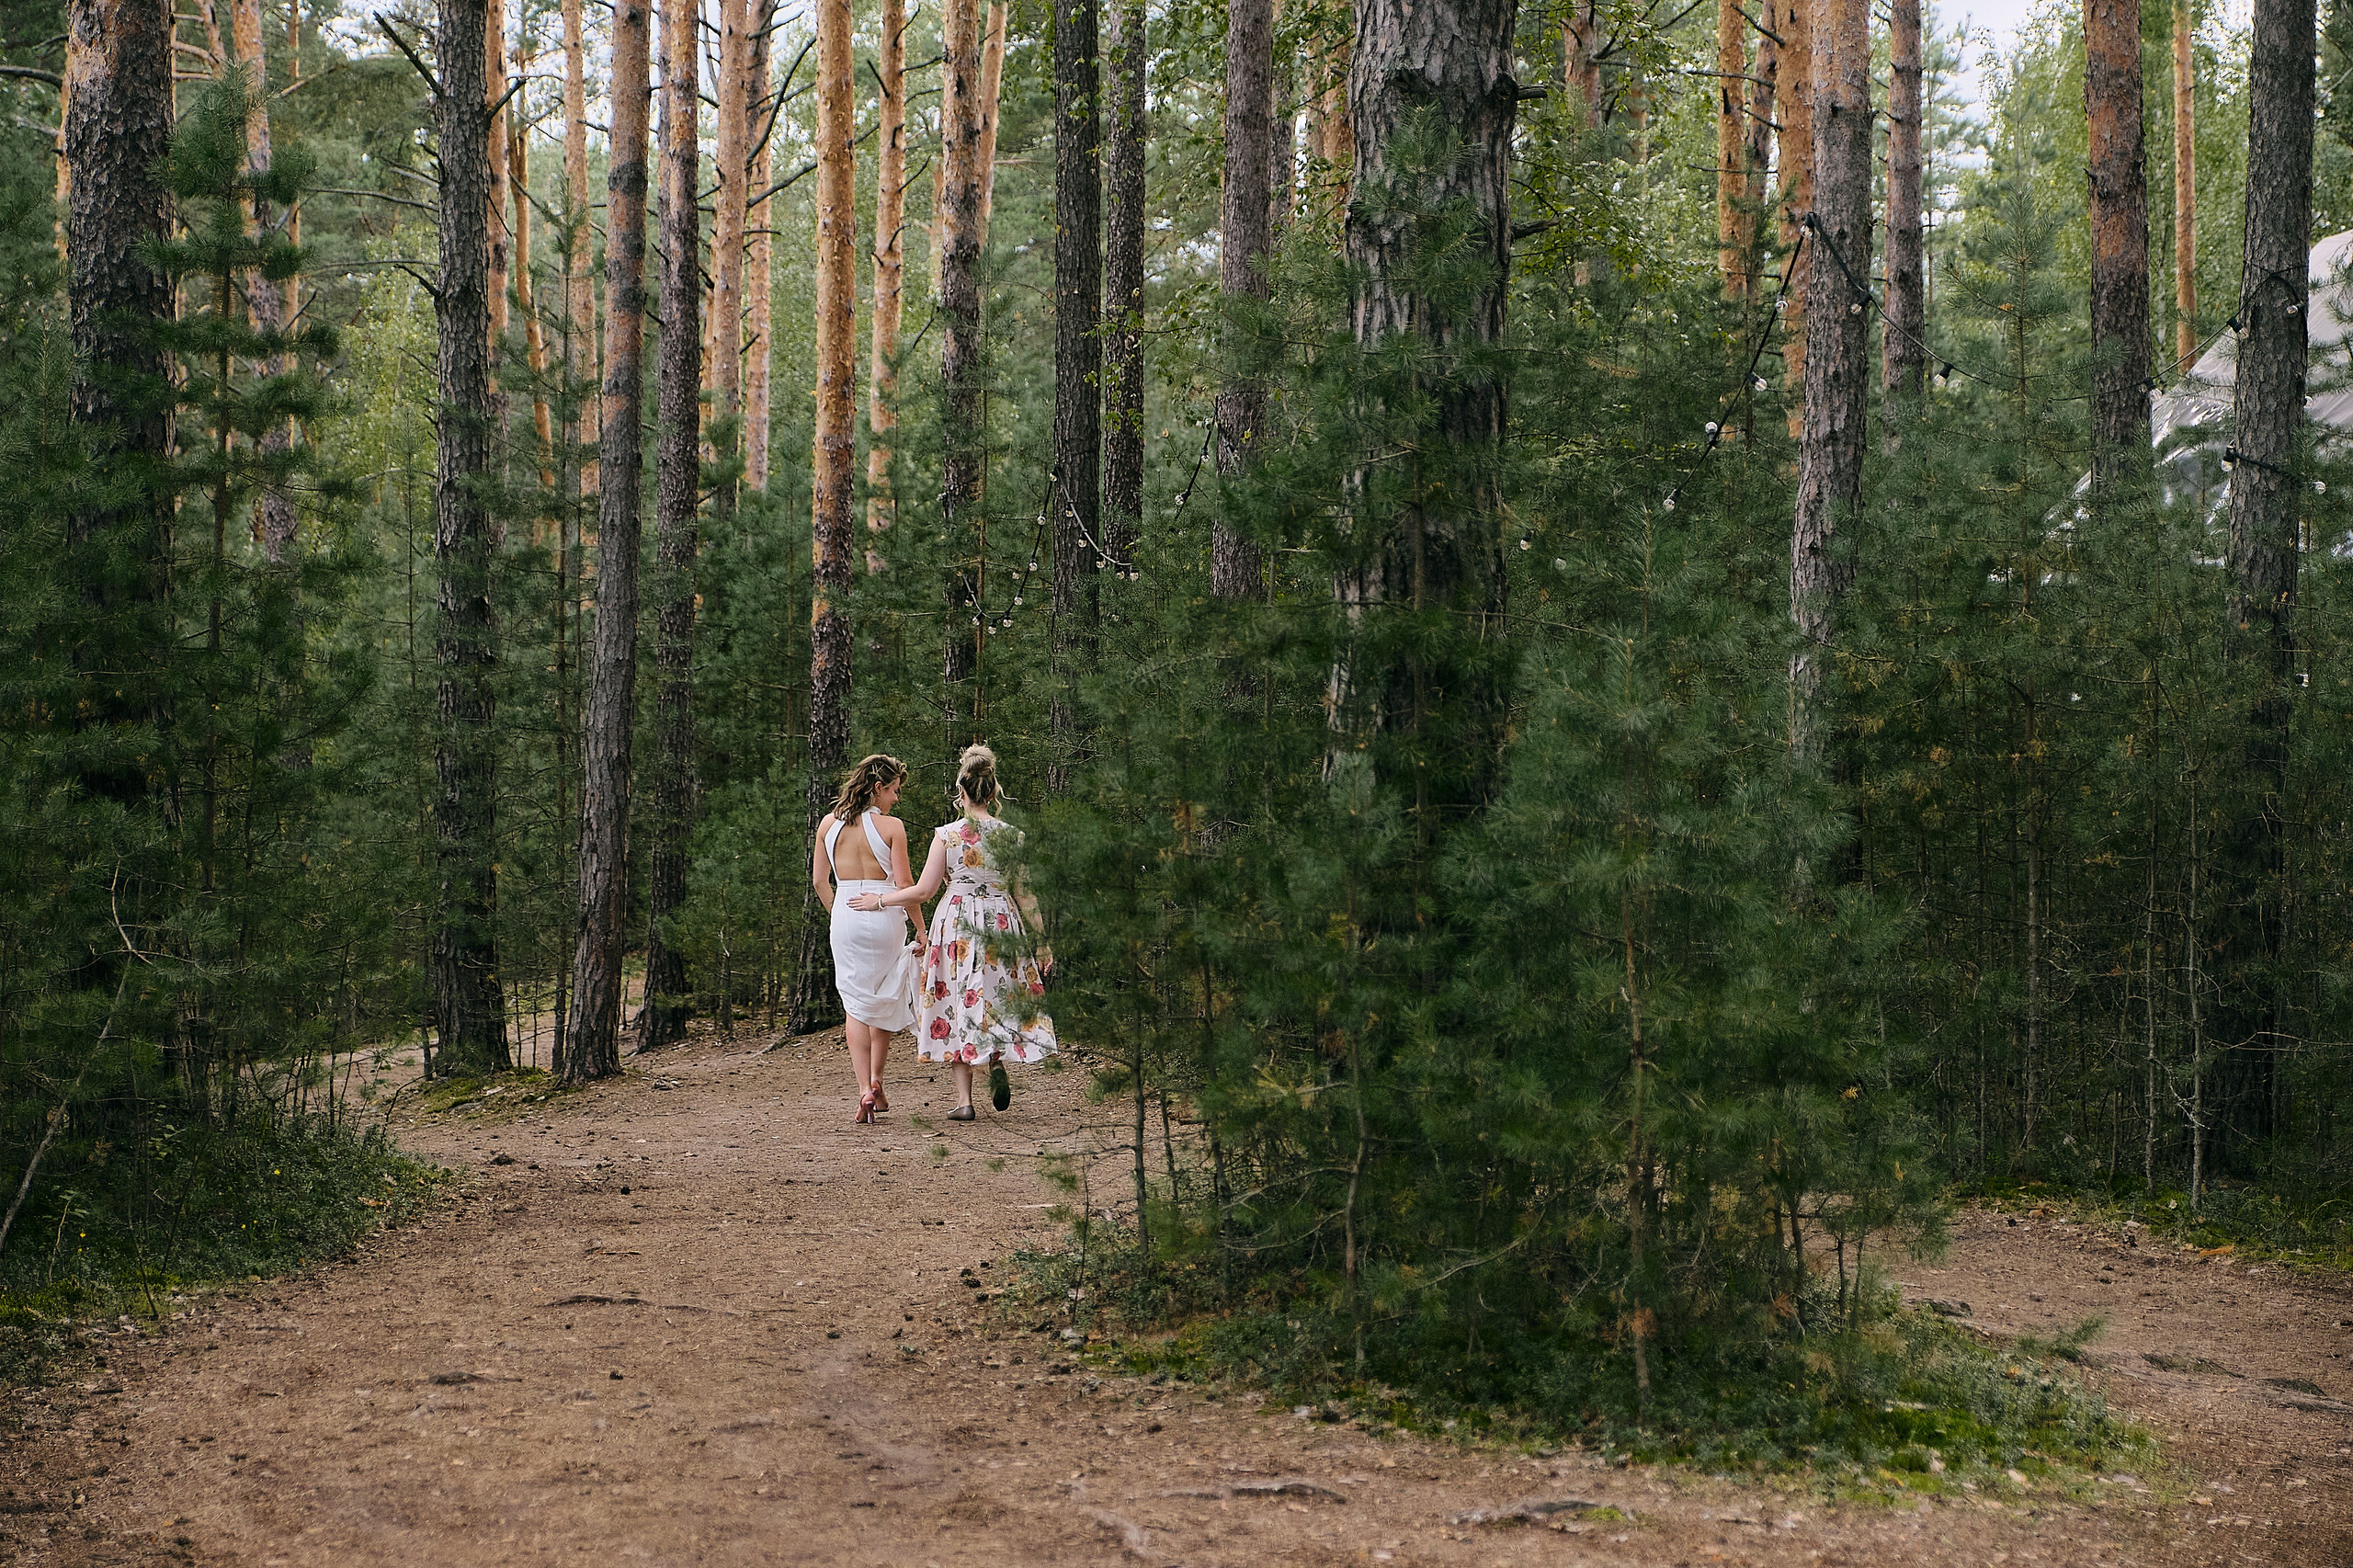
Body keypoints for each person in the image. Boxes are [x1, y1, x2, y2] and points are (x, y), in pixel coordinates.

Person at [849, 744, 1054, 1120]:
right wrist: (1041, 943)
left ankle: (964, 1102)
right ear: (992, 793)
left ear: (961, 793)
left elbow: (925, 891)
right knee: (993, 996)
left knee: (959, 1000)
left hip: (957, 923)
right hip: (1000, 922)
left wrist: (881, 901)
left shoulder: (947, 835)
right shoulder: (1010, 836)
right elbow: (1026, 894)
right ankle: (995, 1064)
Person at [810, 754, 923, 1124]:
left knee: (855, 1005)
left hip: (845, 913)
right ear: (878, 789)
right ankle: (876, 1080)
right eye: (893, 791)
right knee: (882, 998)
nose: (896, 798)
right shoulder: (892, 827)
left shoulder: (828, 824)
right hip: (884, 914)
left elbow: (818, 882)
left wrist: (838, 915)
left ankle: (863, 1089)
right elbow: (906, 887)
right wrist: (921, 930)